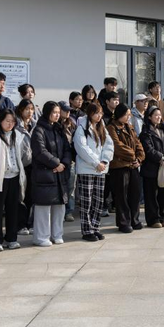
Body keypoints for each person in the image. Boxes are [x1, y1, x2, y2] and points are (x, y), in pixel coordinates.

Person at [0, 109, 31, 252]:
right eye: (7, 121)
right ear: (0, 120)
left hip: (14, 176)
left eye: (13, 121)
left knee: (13, 209)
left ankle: (11, 238)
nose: (10, 124)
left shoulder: (18, 135)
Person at [30, 101, 72, 246]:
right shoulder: (39, 130)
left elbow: (67, 149)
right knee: (43, 207)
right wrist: (56, 164)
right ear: (47, 112)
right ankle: (41, 237)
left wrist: (64, 164)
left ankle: (57, 234)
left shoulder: (59, 129)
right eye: (54, 112)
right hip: (44, 174)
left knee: (59, 206)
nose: (57, 115)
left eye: (58, 113)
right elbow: (40, 151)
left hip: (60, 173)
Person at [74, 103, 114, 241]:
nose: (99, 116)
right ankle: (87, 230)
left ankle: (95, 228)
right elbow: (82, 148)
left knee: (98, 201)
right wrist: (96, 163)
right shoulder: (82, 127)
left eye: (100, 113)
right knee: (87, 201)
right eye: (96, 113)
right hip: (87, 169)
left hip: (100, 170)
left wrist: (104, 161)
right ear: (90, 113)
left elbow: (109, 145)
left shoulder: (102, 127)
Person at [107, 104, 145, 233]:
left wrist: (139, 158)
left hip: (132, 165)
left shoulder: (129, 127)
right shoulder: (111, 127)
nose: (128, 117)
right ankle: (123, 222)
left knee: (135, 194)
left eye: (129, 115)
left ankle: (134, 220)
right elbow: (117, 146)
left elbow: (138, 143)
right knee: (121, 196)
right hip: (119, 166)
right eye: (126, 114)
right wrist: (133, 155)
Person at [139, 107, 164, 228]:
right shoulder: (145, 132)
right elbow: (148, 149)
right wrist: (161, 158)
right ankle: (153, 219)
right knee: (151, 196)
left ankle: (163, 217)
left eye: (160, 115)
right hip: (152, 167)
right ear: (149, 117)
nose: (158, 117)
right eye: (155, 115)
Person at [15, 99, 36, 235]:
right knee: (20, 196)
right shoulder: (16, 126)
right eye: (27, 109)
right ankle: (20, 225)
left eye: (31, 109)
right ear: (21, 110)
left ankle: (30, 223)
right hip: (20, 166)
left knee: (31, 196)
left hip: (33, 165)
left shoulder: (35, 125)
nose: (30, 112)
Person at [58, 100, 78, 223]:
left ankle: (69, 211)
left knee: (71, 187)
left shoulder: (72, 123)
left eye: (69, 110)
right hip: (57, 161)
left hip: (70, 160)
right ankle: (60, 211)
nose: (67, 112)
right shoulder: (55, 124)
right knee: (59, 187)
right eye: (65, 110)